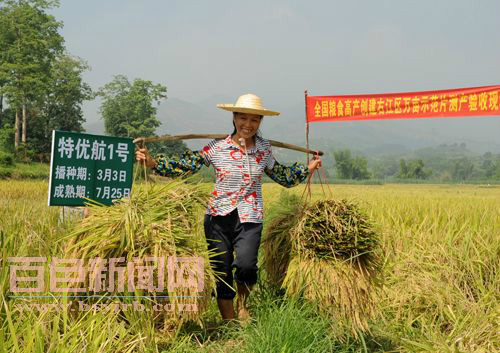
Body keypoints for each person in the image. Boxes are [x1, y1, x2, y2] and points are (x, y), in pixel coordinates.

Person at [135, 93, 321, 322]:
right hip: (217, 218)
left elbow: (283, 176)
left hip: (250, 217)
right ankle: (229, 322)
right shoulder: (217, 147)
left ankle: (243, 304)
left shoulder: (263, 150)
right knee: (221, 271)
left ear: (260, 122)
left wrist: (308, 168)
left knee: (246, 266)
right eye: (243, 118)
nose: (248, 125)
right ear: (234, 118)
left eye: (254, 120)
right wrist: (153, 163)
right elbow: (186, 165)